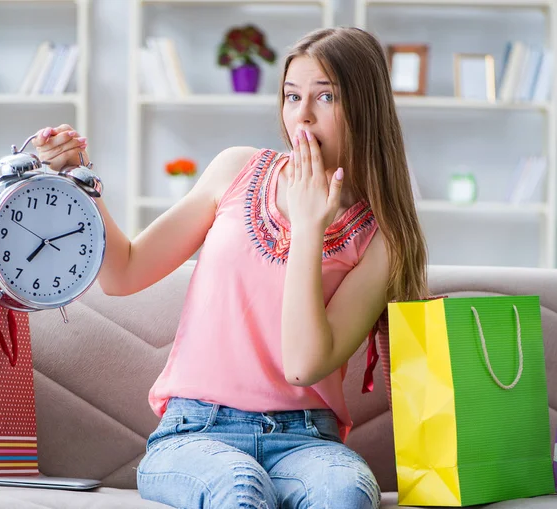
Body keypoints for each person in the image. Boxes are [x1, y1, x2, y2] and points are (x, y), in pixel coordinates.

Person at [33, 25, 428, 509]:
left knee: (345, 493)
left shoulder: (383, 239)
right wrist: (79, 179)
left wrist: (308, 227)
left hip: (306, 440)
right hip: (196, 431)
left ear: (365, 109)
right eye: (291, 96)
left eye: (326, 97)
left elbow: (304, 366)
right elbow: (124, 273)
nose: (301, 116)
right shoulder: (236, 170)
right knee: (241, 489)